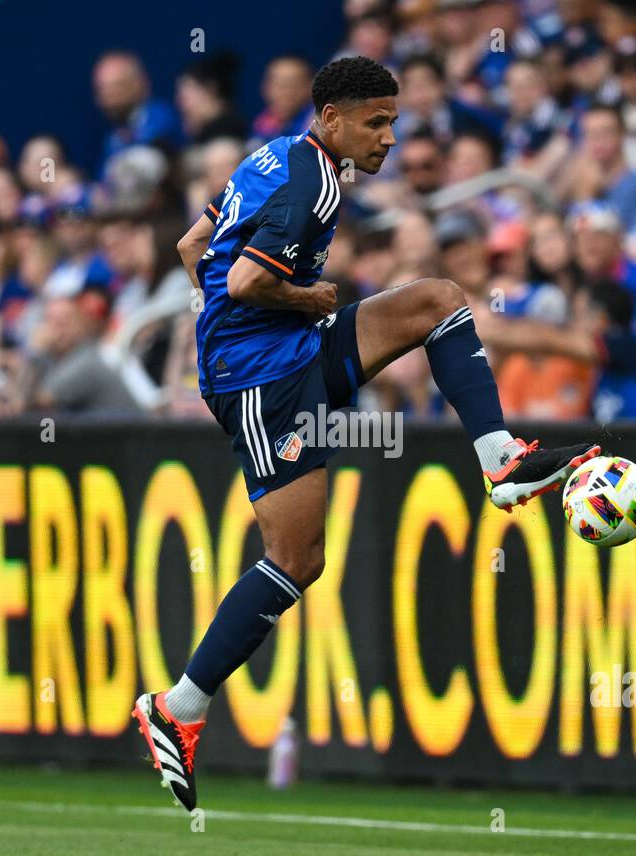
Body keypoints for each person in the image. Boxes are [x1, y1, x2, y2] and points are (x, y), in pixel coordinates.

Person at [133, 56, 604, 813]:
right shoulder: (313, 182)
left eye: (394, 120)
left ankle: (501, 460)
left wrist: (242, 323)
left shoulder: (271, 155)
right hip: (263, 380)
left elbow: (193, 249)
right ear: (330, 119)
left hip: (280, 354)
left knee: (439, 302)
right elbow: (246, 282)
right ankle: (179, 706)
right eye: (375, 122)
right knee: (296, 558)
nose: (388, 137)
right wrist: (301, 299)